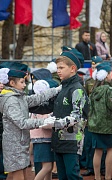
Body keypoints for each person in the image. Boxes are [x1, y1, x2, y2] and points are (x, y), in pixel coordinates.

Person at [0, 62, 61, 180]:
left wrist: (56, 90)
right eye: (21, 82)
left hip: (20, 142)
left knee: (22, 174)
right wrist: (44, 122)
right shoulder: (10, 100)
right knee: (18, 176)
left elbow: (37, 98)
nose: (24, 84)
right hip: (14, 144)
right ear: (12, 83)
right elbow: (22, 123)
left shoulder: (18, 97)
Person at [39, 46, 89, 180]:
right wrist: (25, 105)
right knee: (62, 176)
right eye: (57, 67)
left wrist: (55, 124)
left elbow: (76, 116)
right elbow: (47, 106)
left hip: (72, 141)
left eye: (61, 68)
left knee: (72, 175)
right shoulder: (62, 88)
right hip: (58, 140)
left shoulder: (77, 89)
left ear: (73, 68)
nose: (58, 70)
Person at [88, 61, 112, 180]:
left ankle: (97, 177)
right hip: (107, 125)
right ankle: (107, 177)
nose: (111, 75)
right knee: (110, 149)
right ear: (106, 75)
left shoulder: (93, 90)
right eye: (110, 73)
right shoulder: (108, 89)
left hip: (95, 125)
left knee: (97, 151)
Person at [30, 79, 59, 180]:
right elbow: (45, 123)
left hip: (42, 138)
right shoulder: (42, 104)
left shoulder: (36, 102)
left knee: (48, 167)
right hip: (42, 138)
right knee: (47, 167)